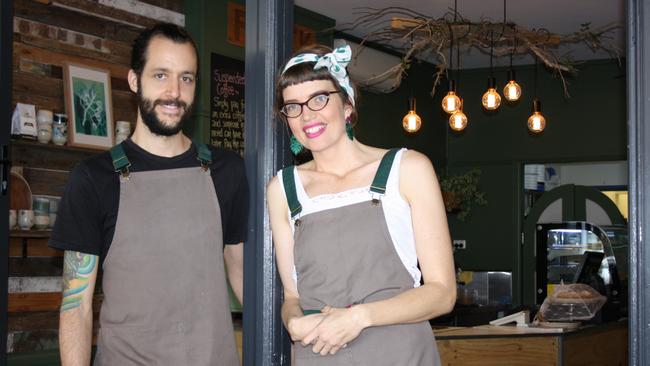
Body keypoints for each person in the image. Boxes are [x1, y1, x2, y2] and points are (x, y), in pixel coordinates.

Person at [50, 23, 248, 366]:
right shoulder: (94, 178)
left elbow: (242, 271)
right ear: (133, 80)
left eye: (186, 78)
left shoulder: (226, 170)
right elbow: (75, 305)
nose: (174, 92)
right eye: (160, 75)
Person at [267, 44, 457, 365]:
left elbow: (442, 293)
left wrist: (357, 318)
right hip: (320, 355)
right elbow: (293, 297)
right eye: (293, 106)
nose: (307, 114)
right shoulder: (283, 188)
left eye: (319, 99)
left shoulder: (407, 169)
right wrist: (293, 322)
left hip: (400, 354)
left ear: (347, 103)